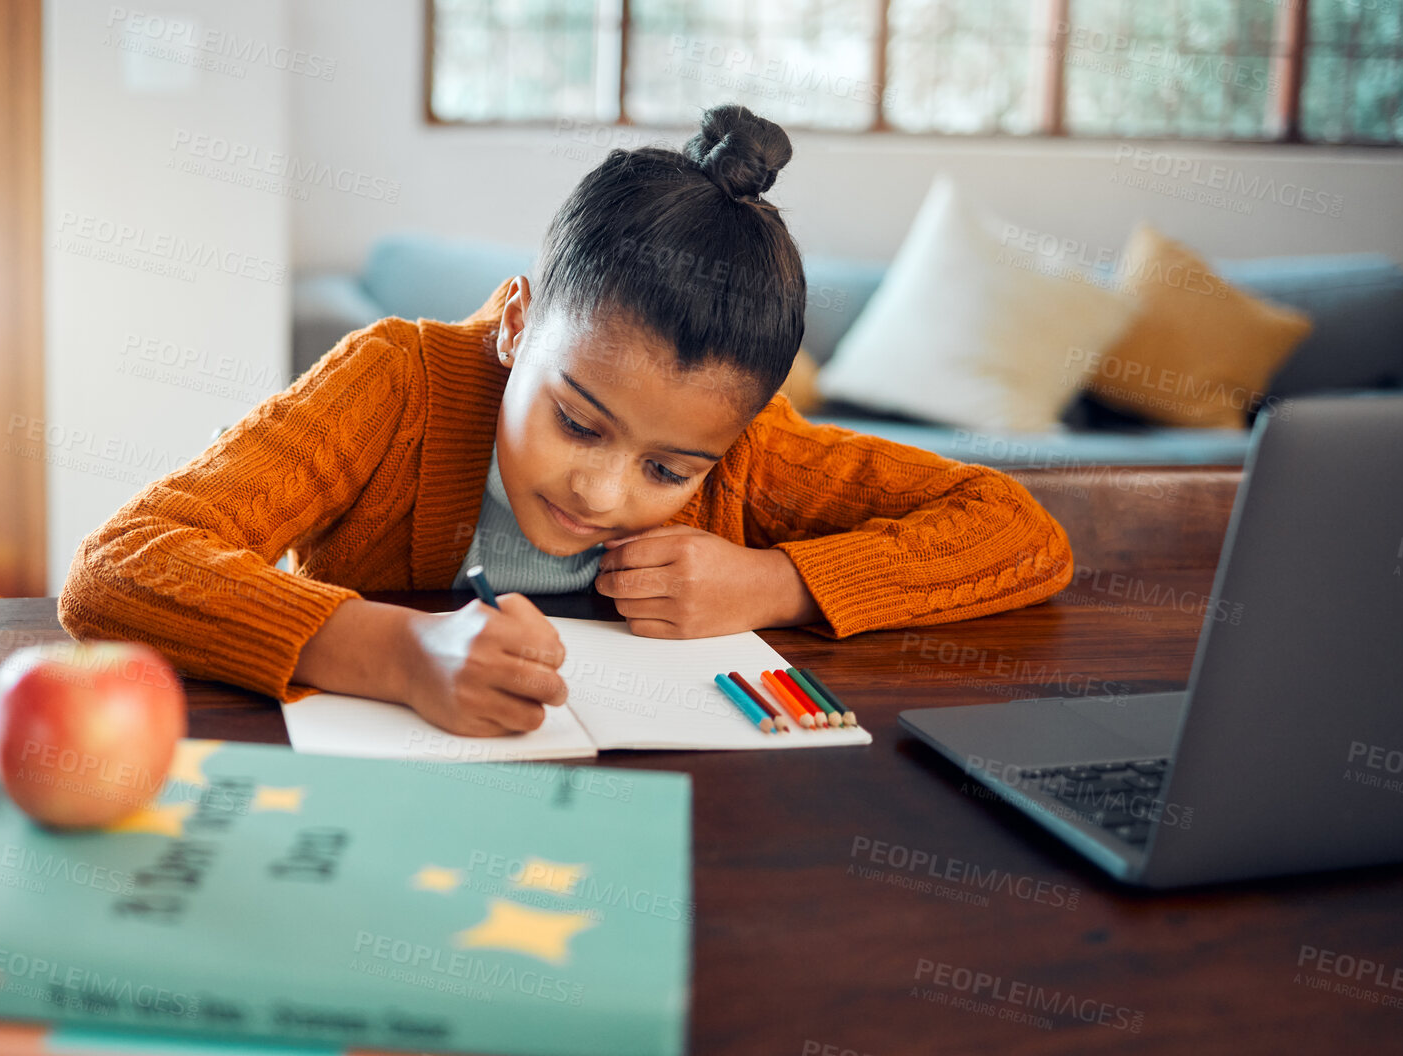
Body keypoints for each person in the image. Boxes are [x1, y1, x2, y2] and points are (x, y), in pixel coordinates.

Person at [58, 105, 1073, 738]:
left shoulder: (743, 451)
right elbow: (119, 565)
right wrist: (392, 653)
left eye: (667, 472)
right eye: (578, 423)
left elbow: (1015, 529)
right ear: (514, 325)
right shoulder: (395, 383)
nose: (604, 490)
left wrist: (777, 579)